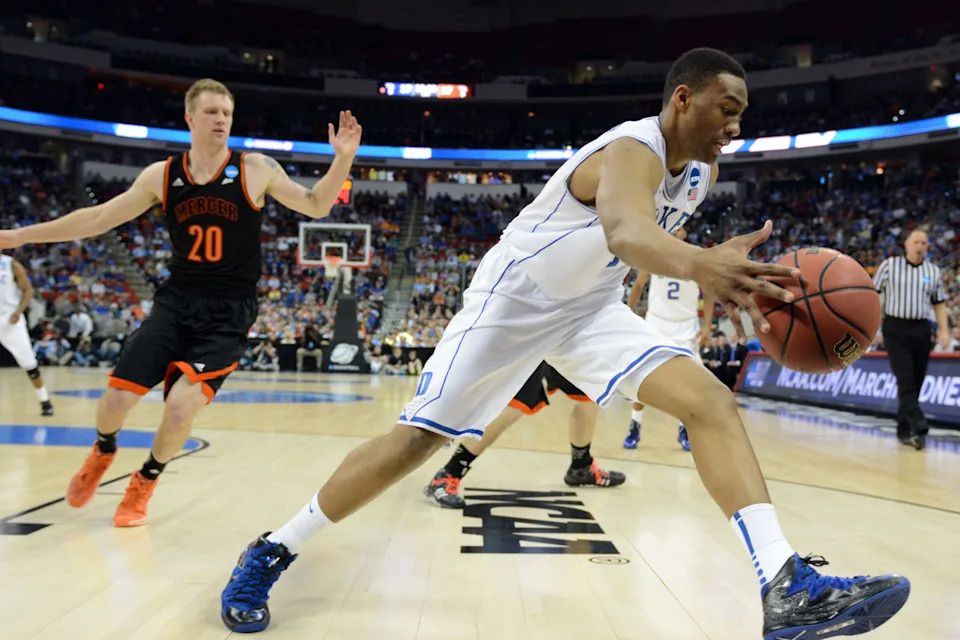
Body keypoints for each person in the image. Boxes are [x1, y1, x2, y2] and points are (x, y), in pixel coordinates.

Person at [220, 49, 909, 638]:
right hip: (513, 302)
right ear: (682, 98)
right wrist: (702, 264)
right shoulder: (630, 149)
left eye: (742, 114)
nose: (736, 125)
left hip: (590, 309)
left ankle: (785, 586)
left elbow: (639, 249)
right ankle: (274, 548)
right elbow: (626, 233)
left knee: (711, 403)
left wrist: (710, 271)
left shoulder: (701, 175)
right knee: (416, 442)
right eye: (726, 108)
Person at [0, 78, 363, 527]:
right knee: (115, 400)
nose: (221, 120)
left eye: (227, 113)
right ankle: (103, 450)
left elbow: (317, 205)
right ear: (189, 118)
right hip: (176, 303)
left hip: (229, 311)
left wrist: (342, 158)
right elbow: (98, 218)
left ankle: (144, 481)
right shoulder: (163, 175)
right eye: (211, 112)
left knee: (181, 405)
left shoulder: (255, 168)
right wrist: (23, 235)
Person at [423, 361, 625, 509]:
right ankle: (449, 473)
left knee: (590, 392)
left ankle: (581, 466)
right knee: (516, 404)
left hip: (566, 328)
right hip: (533, 328)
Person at [623, 227, 713, 451]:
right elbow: (638, 285)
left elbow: (709, 292)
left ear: (685, 232)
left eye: (680, 228)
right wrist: (628, 314)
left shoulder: (696, 256)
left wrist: (707, 326)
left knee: (689, 382)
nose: (675, 232)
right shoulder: (653, 253)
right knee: (644, 376)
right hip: (657, 322)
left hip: (686, 326)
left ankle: (684, 427)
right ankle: (635, 423)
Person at [873, 229, 950, 450]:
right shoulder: (889, 266)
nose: (919, 246)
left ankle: (904, 430)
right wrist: (873, 327)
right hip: (895, 327)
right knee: (905, 379)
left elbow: (939, 303)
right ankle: (919, 425)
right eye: (916, 242)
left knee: (916, 381)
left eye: (924, 243)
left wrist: (944, 329)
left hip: (921, 328)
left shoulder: (933, 271)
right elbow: (873, 296)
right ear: (906, 244)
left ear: (928, 246)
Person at [0, 253, 54, 416]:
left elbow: (27, 289)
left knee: (29, 363)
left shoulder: (10, 264)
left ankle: (44, 400)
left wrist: (19, 311)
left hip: (9, 319)